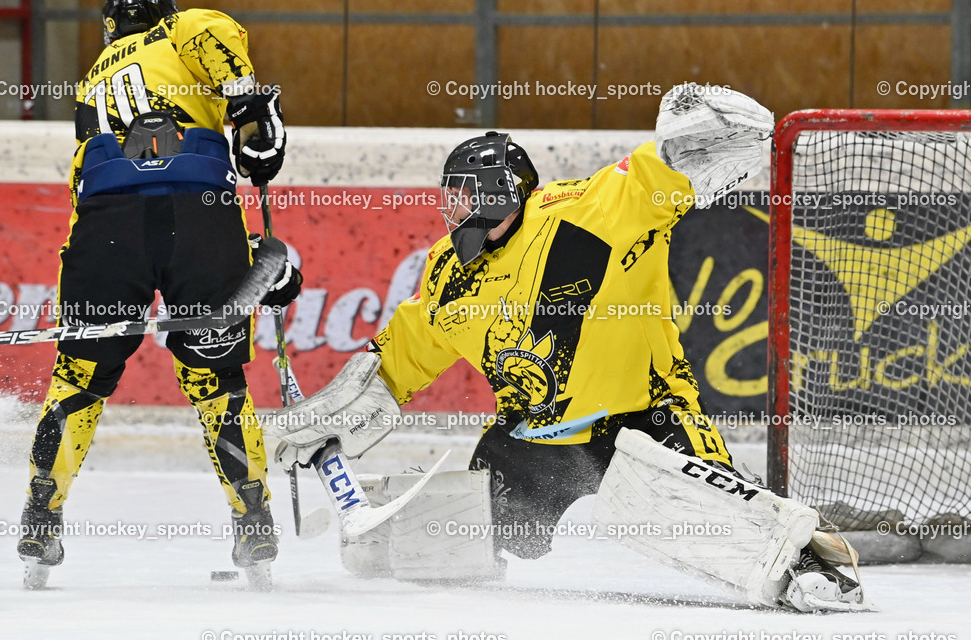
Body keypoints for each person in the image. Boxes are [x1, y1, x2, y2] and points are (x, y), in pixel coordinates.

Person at [270, 83, 867, 612]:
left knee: (707, 519)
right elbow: (407, 350)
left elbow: (653, 177)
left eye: (464, 195)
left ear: (502, 194)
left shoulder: (578, 214)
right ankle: (406, 533)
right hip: (533, 436)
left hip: (641, 417)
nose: (451, 210)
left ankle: (808, 566)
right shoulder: (451, 270)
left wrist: (694, 137)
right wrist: (339, 414)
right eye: (448, 196)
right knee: (443, 546)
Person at [17, 0, 300, 581]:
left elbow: (83, 183)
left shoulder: (91, 81)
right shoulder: (182, 27)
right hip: (196, 210)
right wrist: (251, 104)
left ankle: (41, 517)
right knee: (216, 376)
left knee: (79, 377)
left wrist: (85, 267)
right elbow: (214, 32)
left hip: (104, 224)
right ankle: (252, 521)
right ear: (162, 14)